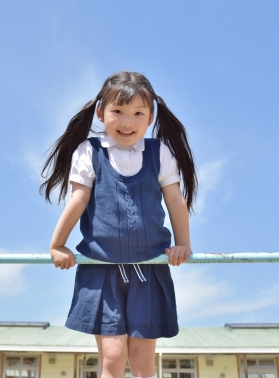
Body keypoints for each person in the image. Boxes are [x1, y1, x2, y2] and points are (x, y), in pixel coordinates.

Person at [41, 71, 197, 378]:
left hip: (148, 268)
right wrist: (57, 244)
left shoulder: (159, 153)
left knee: (141, 358)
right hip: (103, 268)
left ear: (151, 116)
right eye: (118, 112)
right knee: (112, 357)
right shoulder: (89, 151)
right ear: (101, 112)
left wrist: (183, 244)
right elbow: (78, 200)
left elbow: (176, 201)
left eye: (138, 113)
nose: (128, 122)